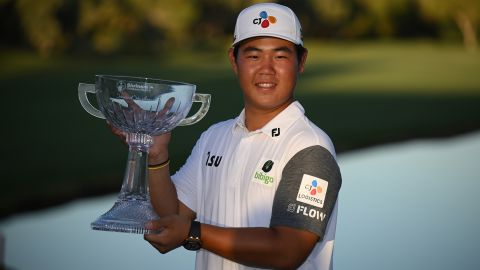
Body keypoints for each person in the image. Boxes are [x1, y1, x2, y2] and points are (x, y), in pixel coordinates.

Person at [118, 3, 342, 269]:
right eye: (253, 56)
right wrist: (156, 156)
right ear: (234, 61)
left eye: (280, 56)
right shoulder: (214, 137)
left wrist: (194, 233)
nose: (266, 69)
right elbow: (174, 216)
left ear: (301, 62)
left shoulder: (310, 147)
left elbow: (288, 249)